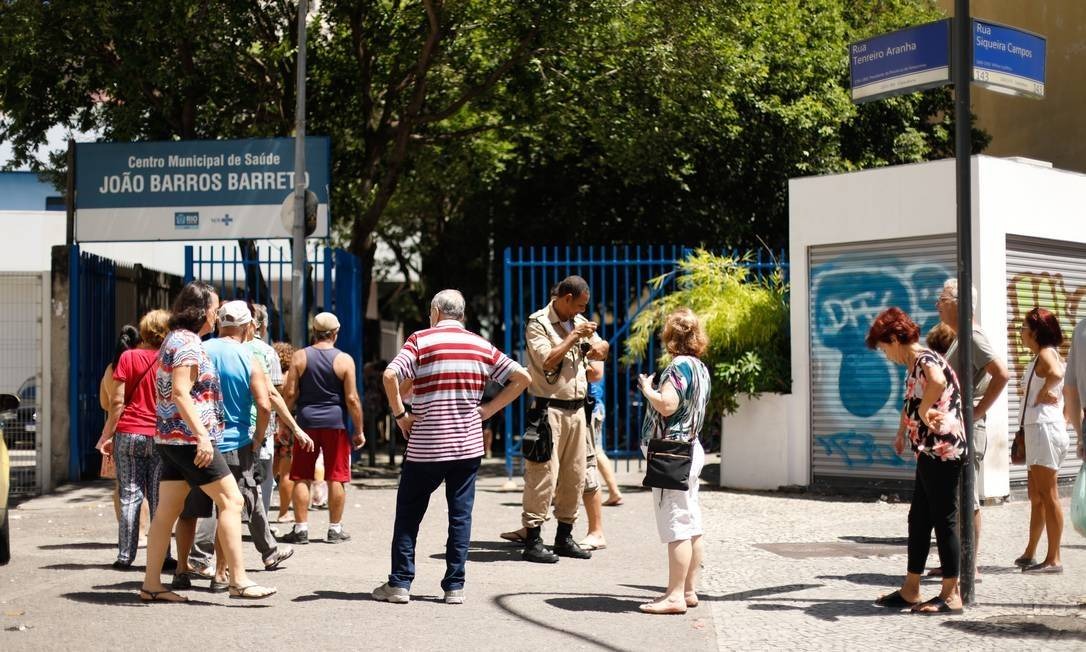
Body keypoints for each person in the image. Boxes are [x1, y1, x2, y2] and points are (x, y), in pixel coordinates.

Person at [372, 290, 530, 605]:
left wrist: (401, 415)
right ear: (461, 313)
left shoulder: (420, 340)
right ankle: (454, 586)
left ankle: (400, 583)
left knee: (409, 514)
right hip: (467, 445)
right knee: (460, 515)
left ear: (435, 311)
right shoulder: (480, 344)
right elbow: (522, 377)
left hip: (426, 445)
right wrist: (488, 409)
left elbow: (391, 375)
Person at [138, 281, 275, 602]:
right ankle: (237, 580)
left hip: (169, 439)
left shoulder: (175, 340)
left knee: (167, 513)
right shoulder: (188, 344)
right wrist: (202, 436)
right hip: (189, 440)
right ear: (200, 310)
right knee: (232, 501)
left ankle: (151, 585)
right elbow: (181, 392)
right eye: (214, 308)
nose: (216, 314)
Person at [180, 301, 298, 589]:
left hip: (200, 441)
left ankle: (182, 569)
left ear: (220, 323)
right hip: (235, 442)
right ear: (247, 327)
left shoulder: (201, 349)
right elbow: (264, 402)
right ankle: (221, 575)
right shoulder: (248, 356)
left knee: (190, 508)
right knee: (228, 508)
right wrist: (258, 438)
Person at [870, 307, 965, 615]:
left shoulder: (925, 360)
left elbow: (936, 384)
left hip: (942, 450)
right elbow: (911, 403)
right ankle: (911, 589)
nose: (886, 355)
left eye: (885, 347)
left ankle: (952, 595)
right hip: (929, 450)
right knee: (920, 519)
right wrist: (902, 432)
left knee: (943, 519)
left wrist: (924, 412)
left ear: (896, 339)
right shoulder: (915, 363)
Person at [517, 275, 607, 563]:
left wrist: (599, 348)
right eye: (578, 305)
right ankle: (533, 540)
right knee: (542, 475)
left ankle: (564, 536)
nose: (581, 311)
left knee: (575, 475)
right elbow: (547, 360)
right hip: (548, 410)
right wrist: (573, 338)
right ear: (566, 298)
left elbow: (602, 352)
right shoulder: (538, 323)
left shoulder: (578, 322)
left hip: (578, 410)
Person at [635, 309, 711, 615]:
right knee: (691, 522)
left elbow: (667, 405)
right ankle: (688, 590)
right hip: (690, 448)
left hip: (671, 453)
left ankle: (675, 596)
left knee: (676, 523)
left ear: (670, 337)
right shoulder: (700, 367)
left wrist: (647, 389)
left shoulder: (677, 367)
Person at [934, 278, 1009, 579]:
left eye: (942, 298)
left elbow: (1001, 374)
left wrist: (976, 411)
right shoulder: (959, 337)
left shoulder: (973, 336)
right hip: (957, 426)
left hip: (969, 427)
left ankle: (970, 567)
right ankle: (956, 561)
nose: (937, 304)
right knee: (954, 496)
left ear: (959, 302)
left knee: (968, 497)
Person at [280, 312, 365, 544]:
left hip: (306, 422)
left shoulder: (300, 357)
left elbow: (289, 393)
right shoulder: (344, 360)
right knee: (336, 476)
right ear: (335, 334)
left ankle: (300, 529)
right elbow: (352, 399)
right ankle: (335, 529)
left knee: (302, 475)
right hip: (335, 423)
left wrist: (285, 424)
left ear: (314, 332)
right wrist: (358, 430)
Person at [100, 310, 170, 569]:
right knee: (158, 497)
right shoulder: (170, 360)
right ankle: (163, 556)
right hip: (161, 435)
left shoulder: (128, 358)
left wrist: (107, 436)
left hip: (129, 433)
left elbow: (117, 402)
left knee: (130, 494)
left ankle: (125, 556)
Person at [1015, 308, 1068, 574]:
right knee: (1036, 495)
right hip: (1040, 429)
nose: (1021, 333)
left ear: (1035, 331)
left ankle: (1054, 558)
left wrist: (1045, 391)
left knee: (1049, 495)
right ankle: (1030, 552)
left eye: (1023, 328)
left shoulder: (1047, 354)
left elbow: (1057, 374)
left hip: (1044, 429)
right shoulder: (1041, 356)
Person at [97, 325, 139, 524]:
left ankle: (125, 529)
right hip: (141, 426)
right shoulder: (143, 364)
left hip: (115, 430)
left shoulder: (110, 369)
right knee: (144, 485)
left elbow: (105, 403)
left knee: (121, 485)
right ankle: (143, 531)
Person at [272, 342, 297, 522]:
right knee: (286, 471)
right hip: (286, 424)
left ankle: (259, 511)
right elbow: (291, 396)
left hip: (267, 423)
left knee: (268, 471)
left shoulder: (269, 374)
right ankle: (283, 512)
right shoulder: (290, 375)